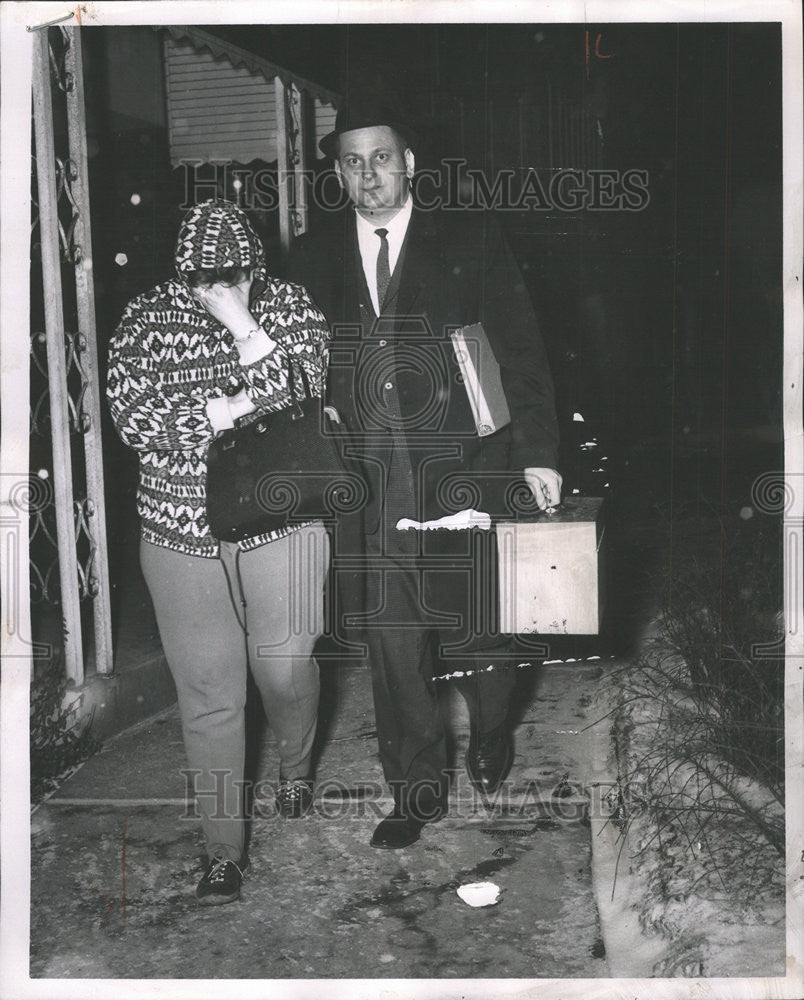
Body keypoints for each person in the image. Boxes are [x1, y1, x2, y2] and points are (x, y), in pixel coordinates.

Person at [287, 98, 562, 850]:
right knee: (392, 638)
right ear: (337, 172)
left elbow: (522, 350)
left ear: (409, 163)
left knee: (481, 632)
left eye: (381, 157)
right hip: (370, 480)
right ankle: (414, 788)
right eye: (351, 161)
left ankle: (494, 727)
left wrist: (540, 453)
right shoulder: (310, 257)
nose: (367, 174)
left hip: (467, 467)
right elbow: (294, 365)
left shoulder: (469, 238)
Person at [107, 199, 331, 904]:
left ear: (255, 266)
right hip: (180, 530)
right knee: (209, 694)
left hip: (283, 520)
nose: (217, 285)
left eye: (232, 273)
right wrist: (229, 409)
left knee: (285, 668)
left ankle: (296, 768)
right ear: (180, 269)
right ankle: (221, 851)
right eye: (203, 276)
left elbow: (305, 389)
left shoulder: (288, 307)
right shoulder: (145, 320)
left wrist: (243, 325)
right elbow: (135, 420)